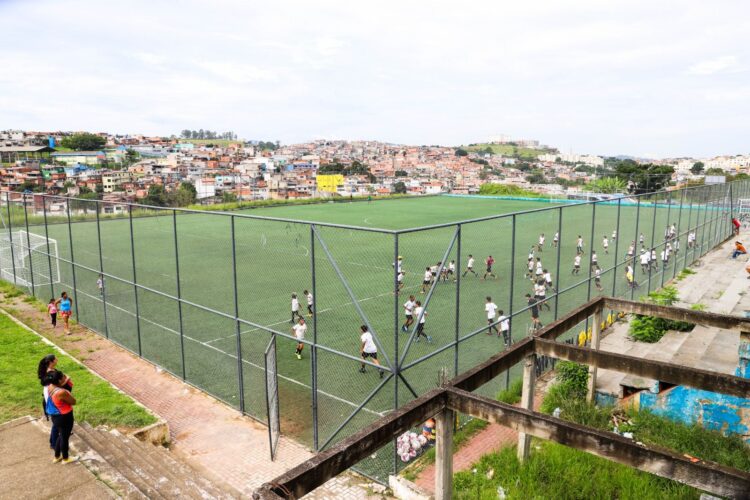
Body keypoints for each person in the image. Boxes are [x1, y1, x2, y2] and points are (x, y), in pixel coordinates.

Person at [38, 355, 72, 451]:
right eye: (56, 358)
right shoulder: (50, 375)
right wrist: (67, 380)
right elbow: (57, 386)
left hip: (53, 401)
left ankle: (55, 440)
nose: (57, 359)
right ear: (51, 361)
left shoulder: (49, 372)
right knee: (57, 425)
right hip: (55, 404)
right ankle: (54, 444)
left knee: (57, 424)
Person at [45, 370, 77, 463]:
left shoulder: (50, 386)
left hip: (55, 416)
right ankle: (66, 458)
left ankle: (57, 456)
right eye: (63, 377)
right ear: (59, 381)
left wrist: (65, 381)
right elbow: (73, 402)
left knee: (61, 435)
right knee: (64, 437)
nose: (65, 377)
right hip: (65, 416)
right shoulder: (62, 392)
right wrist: (68, 392)